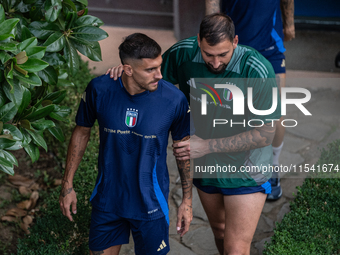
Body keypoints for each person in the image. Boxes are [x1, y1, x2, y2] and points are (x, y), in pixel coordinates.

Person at [107, 14, 281, 255]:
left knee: (236, 248)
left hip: (246, 166)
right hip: (205, 164)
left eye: (223, 54)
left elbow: (265, 134)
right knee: (219, 231)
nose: (216, 62)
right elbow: (151, 80)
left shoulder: (258, 69)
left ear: (235, 42)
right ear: (199, 41)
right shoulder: (182, 53)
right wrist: (128, 72)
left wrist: (207, 146)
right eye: (209, 54)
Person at [59, 33, 192, 255]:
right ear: (128, 69)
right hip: (108, 199)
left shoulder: (174, 100)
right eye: (150, 70)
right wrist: (67, 184)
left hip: (151, 202)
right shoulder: (100, 90)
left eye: (160, 66)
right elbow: (81, 132)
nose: (159, 75)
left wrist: (187, 200)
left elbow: (183, 151)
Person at [206, 0, 295, 201]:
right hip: (231, 47)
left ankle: (272, 166)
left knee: (275, 110)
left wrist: (289, 23)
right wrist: (210, 36)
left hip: (269, 45)